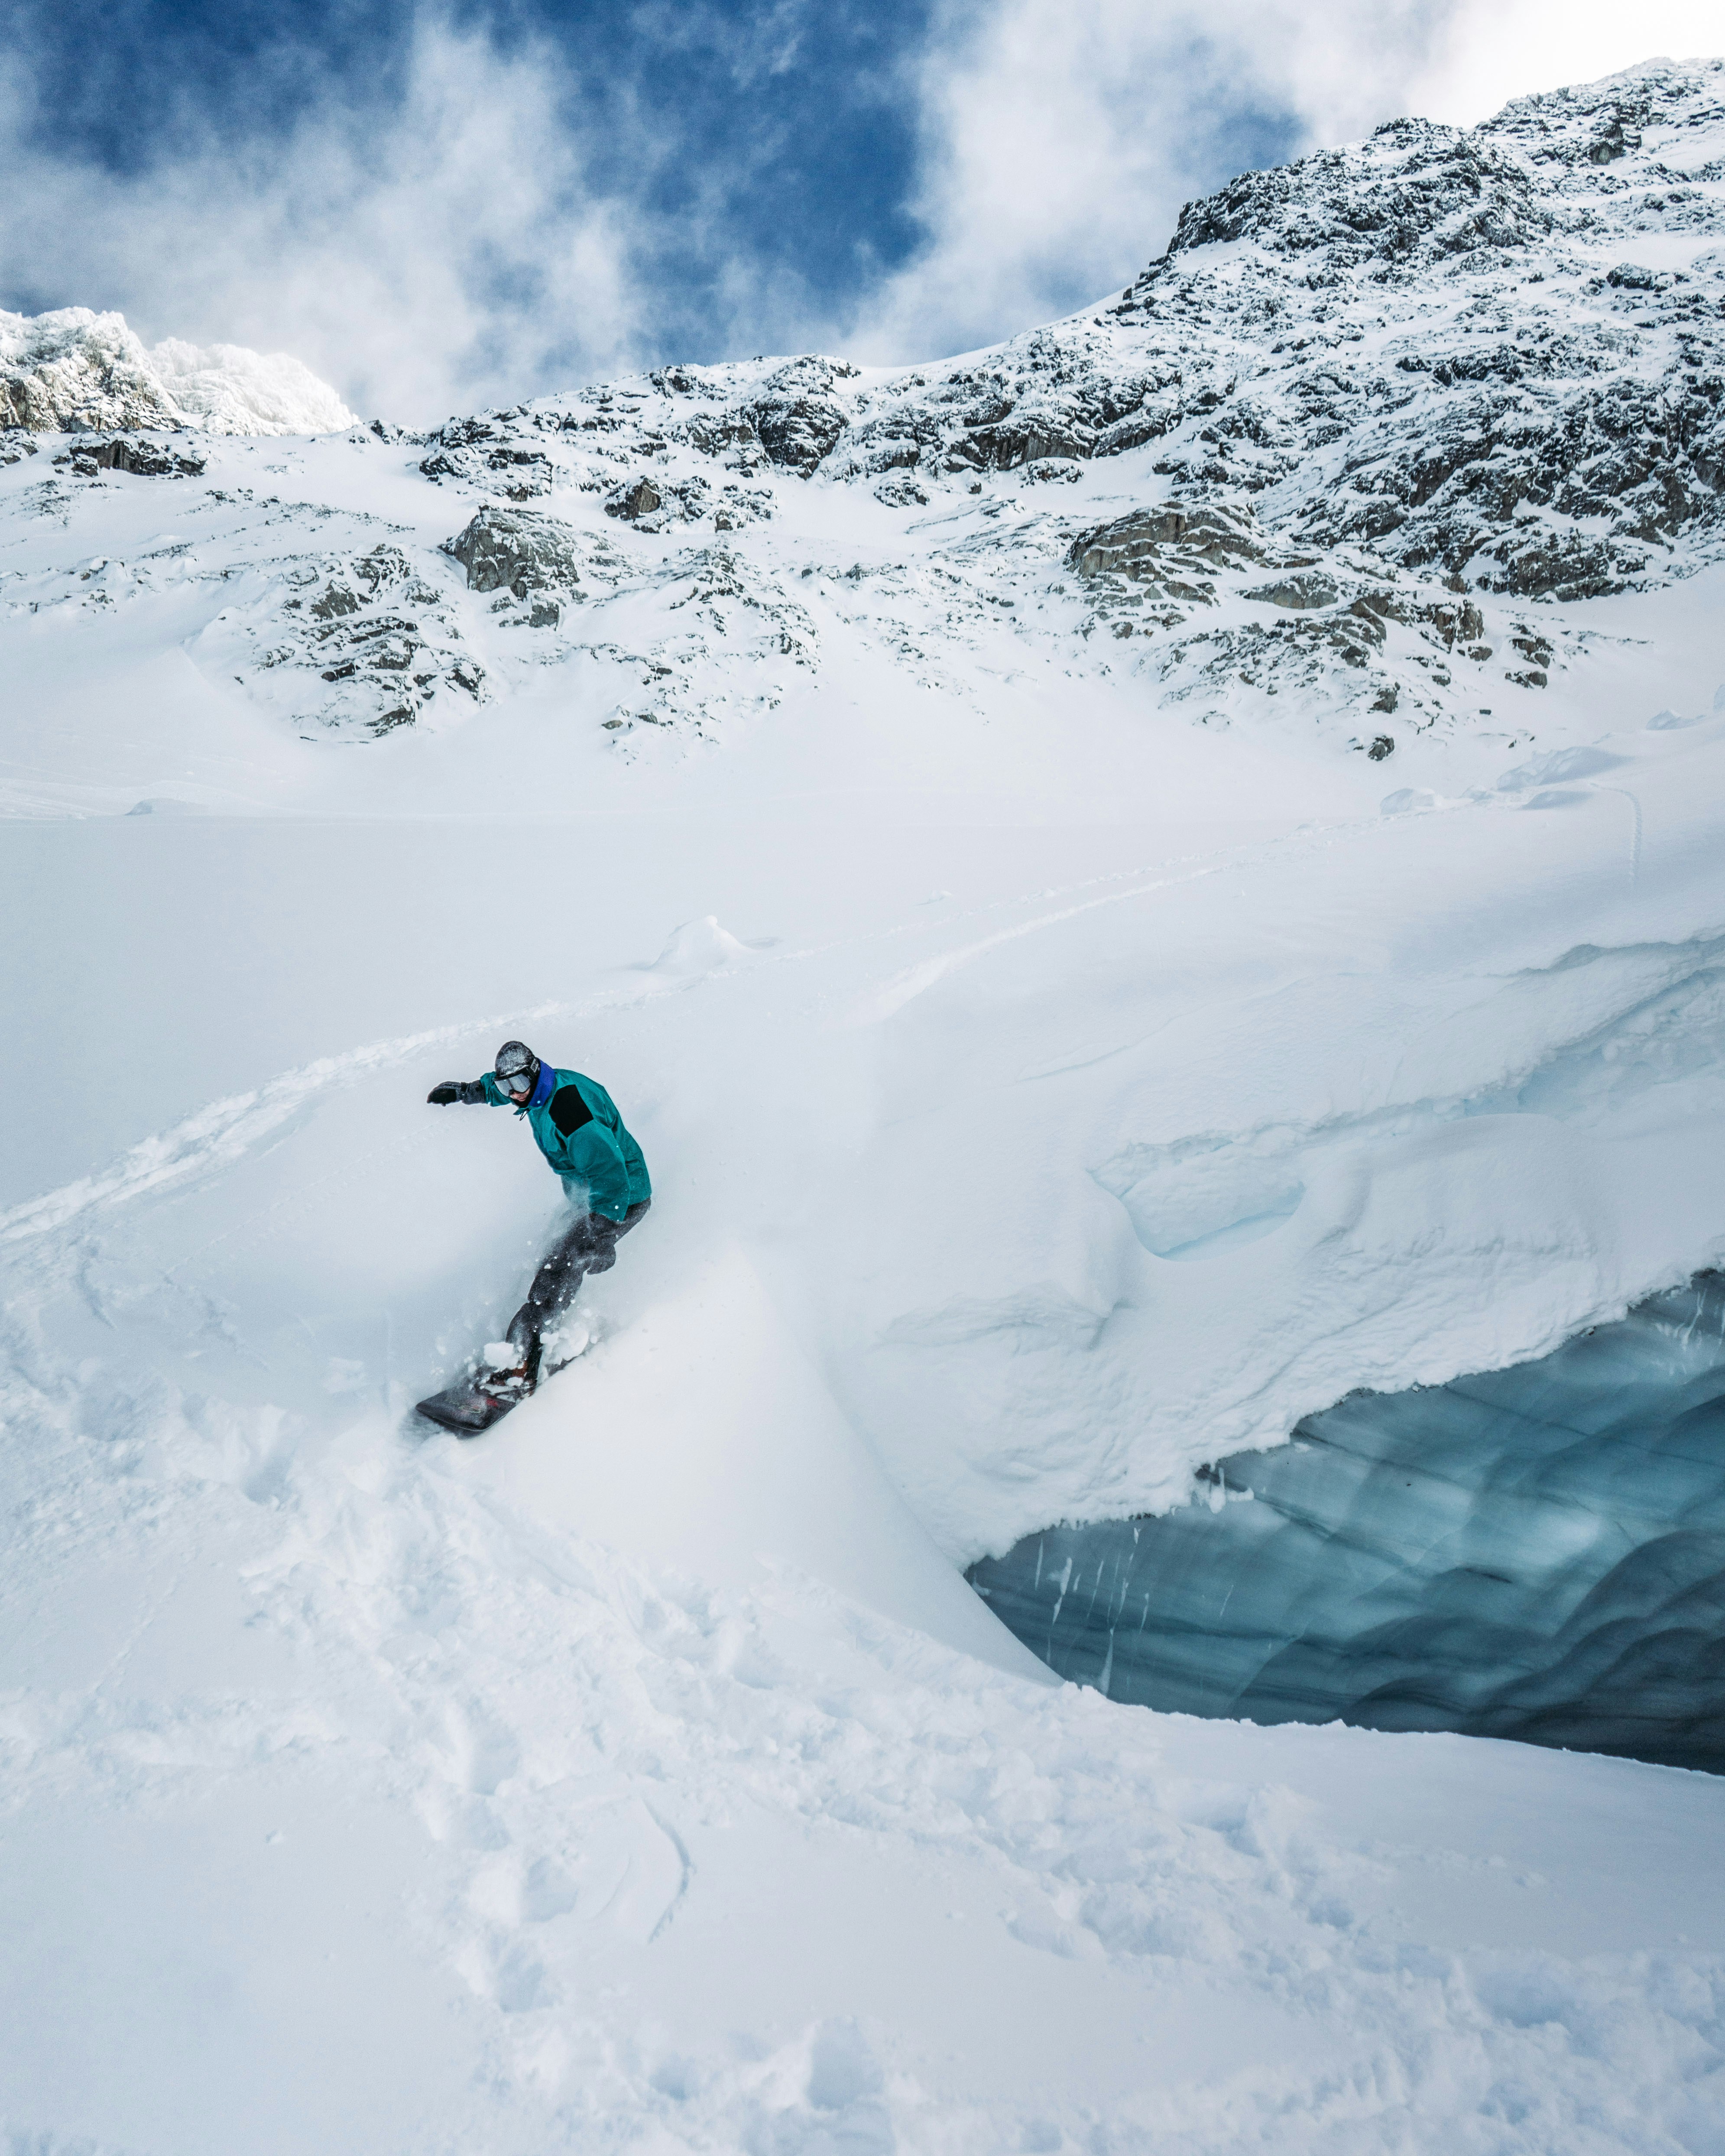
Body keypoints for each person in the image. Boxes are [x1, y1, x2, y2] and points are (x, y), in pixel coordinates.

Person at [428, 1040, 651, 1401]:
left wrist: (602, 1234)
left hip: (619, 1200)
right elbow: (504, 1089)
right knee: (549, 1252)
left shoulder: (569, 1111)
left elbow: (611, 1174)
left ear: (534, 1074)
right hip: (589, 1198)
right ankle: (532, 1334)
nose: (512, 1095)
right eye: (505, 1087)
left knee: (559, 1266)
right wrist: (469, 1092)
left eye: (516, 1085)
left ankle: (521, 1367)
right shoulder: (537, 1090)